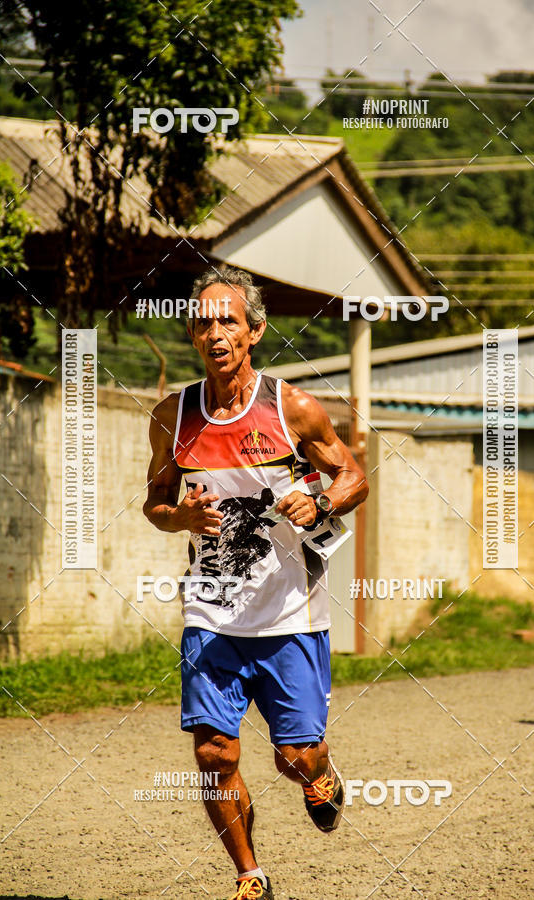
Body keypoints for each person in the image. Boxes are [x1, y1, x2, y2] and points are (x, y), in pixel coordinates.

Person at [143, 265, 369, 900]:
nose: (215, 332)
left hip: (289, 614)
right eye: (204, 321)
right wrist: (179, 516)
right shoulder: (173, 415)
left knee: (296, 757)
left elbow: (354, 477)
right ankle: (250, 875)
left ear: (254, 331)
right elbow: (155, 503)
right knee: (215, 754)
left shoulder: (290, 407)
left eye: (229, 321)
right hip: (212, 611)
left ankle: (322, 775)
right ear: (192, 335)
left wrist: (322, 506)